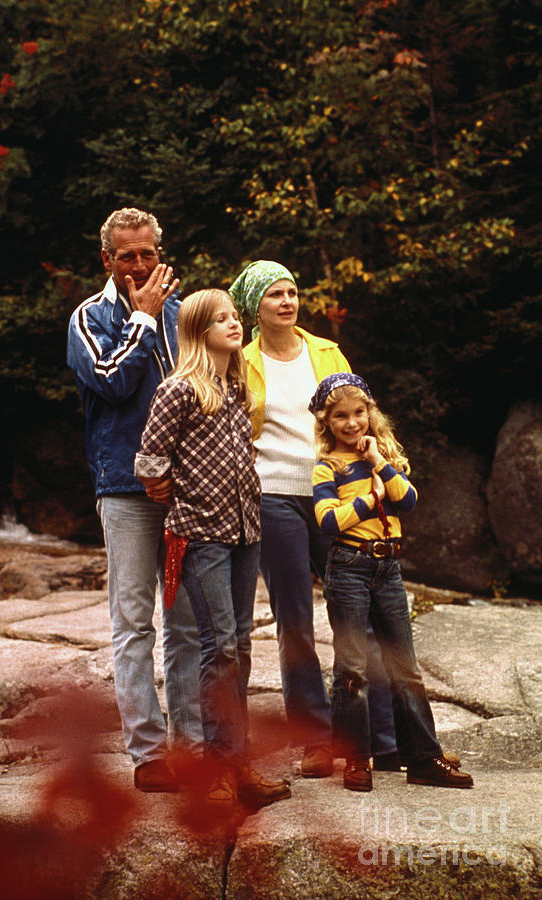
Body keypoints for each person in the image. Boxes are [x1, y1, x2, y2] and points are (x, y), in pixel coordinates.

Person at [229, 260, 399, 778]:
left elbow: (359, 415)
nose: (287, 302)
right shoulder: (239, 360)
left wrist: (381, 469)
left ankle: (379, 739)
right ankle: (315, 740)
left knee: (359, 616)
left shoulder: (326, 352)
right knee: (296, 622)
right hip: (273, 496)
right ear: (255, 307)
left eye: (292, 292)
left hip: (336, 495)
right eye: (275, 294)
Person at [135, 289, 291, 816]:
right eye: (221, 319)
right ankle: (217, 770)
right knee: (218, 647)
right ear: (199, 331)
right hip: (201, 535)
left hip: (246, 531)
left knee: (240, 648)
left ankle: (238, 764)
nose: (233, 324)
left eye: (234, 316)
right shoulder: (178, 389)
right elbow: (149, 460)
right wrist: (178, 496)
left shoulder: (237, 387)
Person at [66, 207, 202, 792]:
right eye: (128, 256)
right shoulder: (89, 317)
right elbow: (112, 381)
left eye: (148, 253)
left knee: (187, 623)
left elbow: (203, 392)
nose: (140, 265)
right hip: (124, 489)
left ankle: (192, 750)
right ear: (107, 259)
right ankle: (148, 756)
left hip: (185, 491)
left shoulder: (182, 314)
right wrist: (143, 319)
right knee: (132, 623)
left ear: (159, 254)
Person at [310, 372, 474, 791]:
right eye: (341, 416)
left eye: (359, 413)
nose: (352, 423)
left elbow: (409, 499)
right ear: (326, 421)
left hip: (388, 569)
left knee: (405, 666)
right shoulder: (327, 467)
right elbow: (328, 521)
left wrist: (378, 463)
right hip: (348, 566)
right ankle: (356, 759)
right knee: (353, 668)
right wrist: (371, 498)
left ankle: (422, 758)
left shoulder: (381, 458)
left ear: (371, 413)